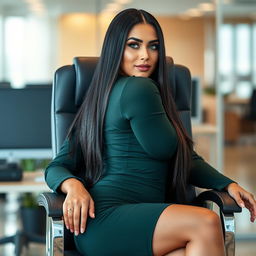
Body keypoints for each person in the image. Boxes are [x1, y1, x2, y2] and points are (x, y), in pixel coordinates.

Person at [45, 8, 256, 256]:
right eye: (134, 45)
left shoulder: (101, 96)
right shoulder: (140, 89)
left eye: (153, 47)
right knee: (206, 222)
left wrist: (226, 183)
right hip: (110, 217)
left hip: (135, 223)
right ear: (116, 49)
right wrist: (74, 187)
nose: (145, 56)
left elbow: (183, 159)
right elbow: (169, 150)